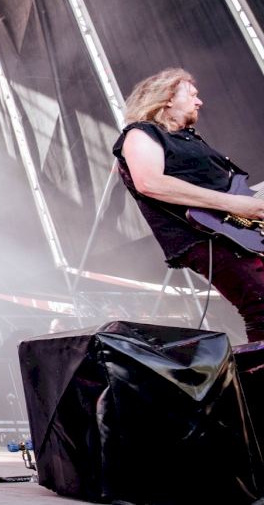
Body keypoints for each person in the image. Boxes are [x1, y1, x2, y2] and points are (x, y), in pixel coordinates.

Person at [113, 68, 264, 341]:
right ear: (168, 97)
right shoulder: (141, 133)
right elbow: (149, 182)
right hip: (204, 235)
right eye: (192, 95)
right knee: (260, 304)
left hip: (236, 232)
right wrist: (235, 204)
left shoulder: (188, 138)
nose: (199, 102)